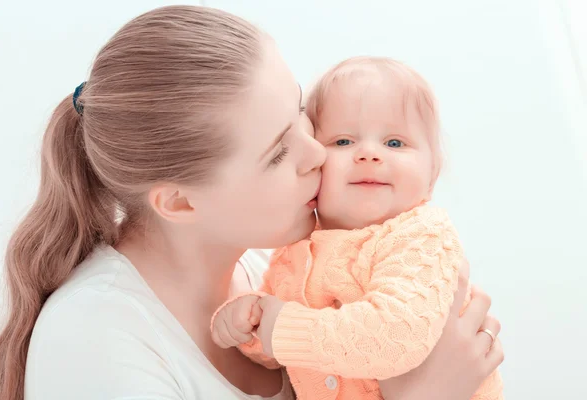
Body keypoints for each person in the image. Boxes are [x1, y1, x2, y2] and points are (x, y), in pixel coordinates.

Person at [0, 5, 504, 400]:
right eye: (278, 152)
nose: (316, 151)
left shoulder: (273, 268)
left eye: (300, 109)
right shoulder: (96, 344)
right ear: (181, 203)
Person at [210, 56, 504, 400]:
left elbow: (393, 336)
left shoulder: (421, 236)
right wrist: (253, 322)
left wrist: (281, 326)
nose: (368, 154)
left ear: (431, 176)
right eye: (343, 142)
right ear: (313, 161)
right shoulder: (294, 249)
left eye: (394, 143)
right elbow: (285, 348)